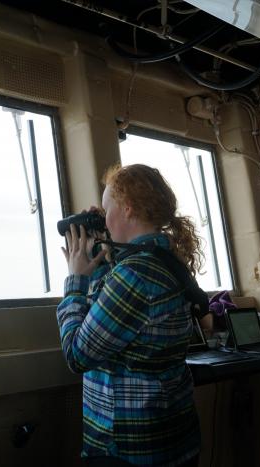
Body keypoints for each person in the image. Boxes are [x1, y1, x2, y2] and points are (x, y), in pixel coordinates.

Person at [56, 164, 203, 467]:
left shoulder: (135, 275)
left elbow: (78, 355)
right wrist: (101, 254)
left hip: (129, 449)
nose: (104, 219)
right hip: (172, 440)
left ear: (128, 209)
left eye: (107, 209)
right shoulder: (162, 261)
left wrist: (75, 282)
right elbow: (117, 313)